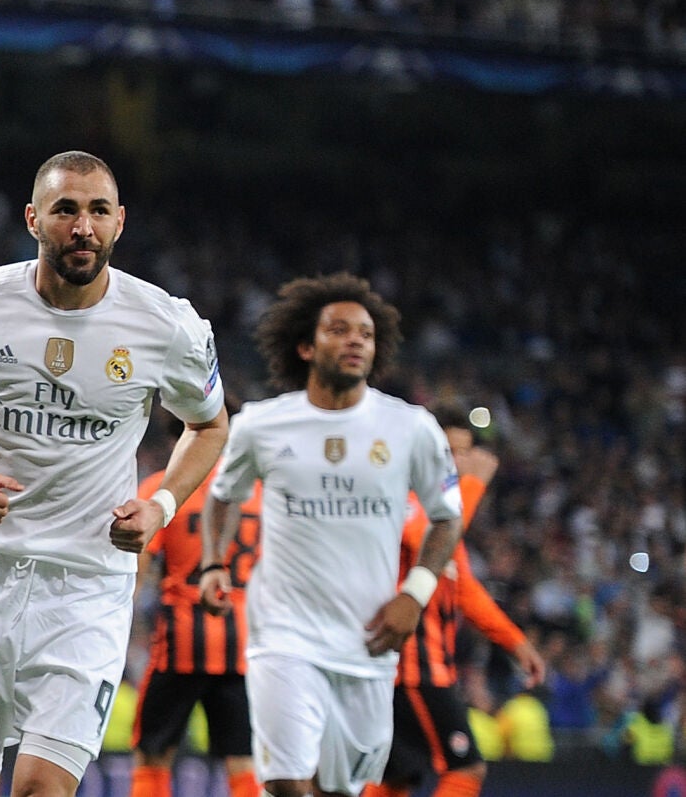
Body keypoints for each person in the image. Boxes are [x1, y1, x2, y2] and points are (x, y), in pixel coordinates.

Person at [0, 150, 231, 797]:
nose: (83, 226)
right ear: (33, 219)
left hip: (86, 585)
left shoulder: (166, 323)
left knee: (44, 787)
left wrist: (161, 505)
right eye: (66, 209)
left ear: (120, 222)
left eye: (98, 210)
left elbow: (209, 423)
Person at [200, 274, 463, 797]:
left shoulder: (410, 428)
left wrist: (415, 594)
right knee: (286, 781)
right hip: (283, 632)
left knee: (342, 788)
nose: (355, 341)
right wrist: (213, 563)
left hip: (367, 639)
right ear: (306, 346)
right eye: (339, 330)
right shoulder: (262, 424)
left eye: (365, 333)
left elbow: (447, 515)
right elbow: (222, 496)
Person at [362, 405, 546, 797]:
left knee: (394, 779)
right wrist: (474, 484)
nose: (457, 461)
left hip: (412, 668)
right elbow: (421, 536)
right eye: (447, 450)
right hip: (412, 666)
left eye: (463, 452)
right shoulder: (404, 496)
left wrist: (515, 641)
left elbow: (465, 590)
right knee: (467, 769)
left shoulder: (446, 518)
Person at [130, 469, 265, 797]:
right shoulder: (260, 491)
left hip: (180, 639)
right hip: (243, 642)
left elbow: (138, 562)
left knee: (153, 752)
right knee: (243, 759)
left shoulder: (164, 486)